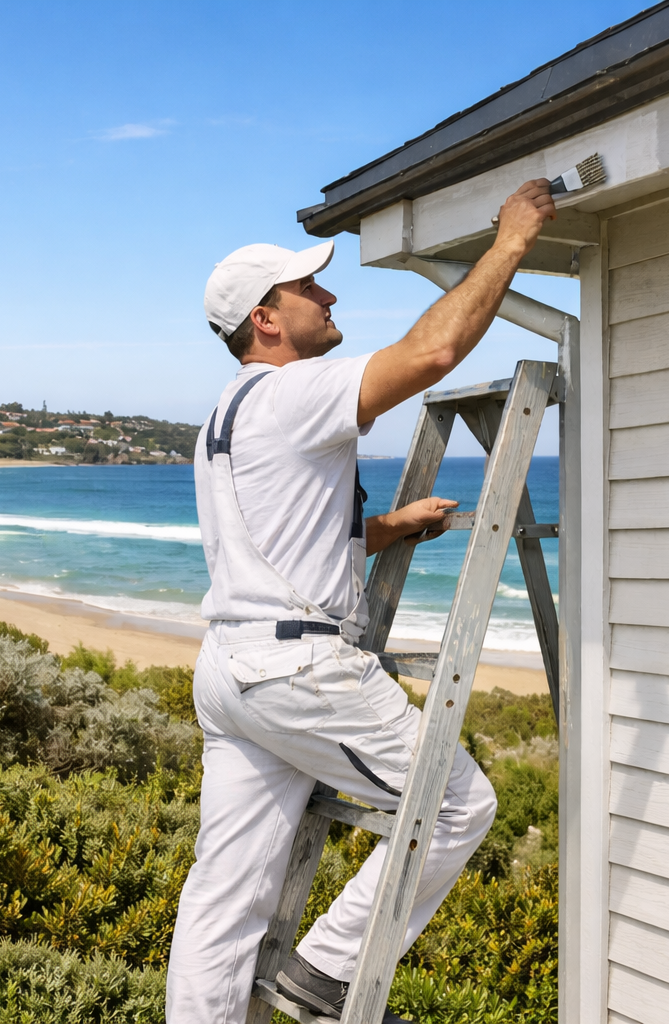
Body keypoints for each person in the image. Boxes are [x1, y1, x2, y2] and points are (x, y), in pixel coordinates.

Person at [167, 178, 558, 1023]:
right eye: (308, 287)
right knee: (458, 802)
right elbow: (429, 357)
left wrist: (386, 528)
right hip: (298, 670)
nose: (329, 293)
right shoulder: (290, 393)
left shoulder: (224, 417)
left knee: (224, 897)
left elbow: (279, 542)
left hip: (231, 670)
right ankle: (325, 972)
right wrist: (511, 242)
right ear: (265, 320)